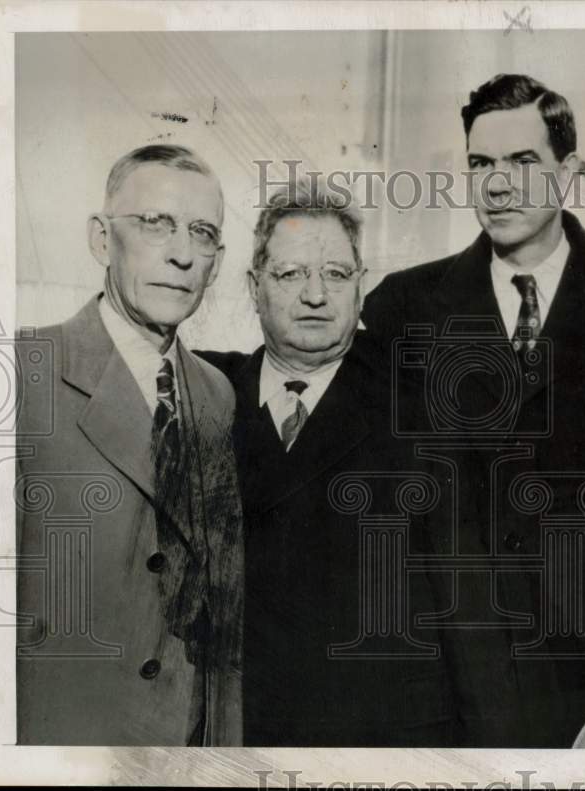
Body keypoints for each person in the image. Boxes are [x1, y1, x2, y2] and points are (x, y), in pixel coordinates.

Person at [361, 73, 585, 747]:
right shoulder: (402, 308)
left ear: (567, 171)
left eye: (523, 162)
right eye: (481, 165)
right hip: (461, 693)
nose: (498, 185)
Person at [197, 177, 462, 746]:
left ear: (362, 287)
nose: (315, 295)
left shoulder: (420, 408)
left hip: (382, 746)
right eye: (291, 274)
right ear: (253, 284)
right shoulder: (208, 393)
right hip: (239, 739)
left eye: (336, 275)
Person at [15, 144, 244, 745]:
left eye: (202, 233)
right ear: (100, 239)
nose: (181, 254)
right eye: (155, 223)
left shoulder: (216, 393)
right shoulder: (20, 372)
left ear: (217, 261)